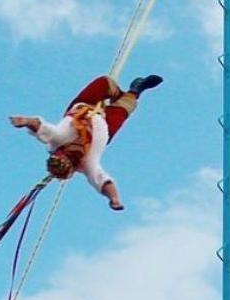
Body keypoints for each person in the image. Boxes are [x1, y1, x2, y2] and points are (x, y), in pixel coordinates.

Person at [10, 74, 163, 211]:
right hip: (105, 127)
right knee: (126, 107)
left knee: (105, 82)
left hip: (84, 108)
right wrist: (114, 199)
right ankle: (135, 90)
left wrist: (25, 121)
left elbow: (40, 126)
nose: (73, 152)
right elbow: (101, 180)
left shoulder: (57, 139)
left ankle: (118, 94)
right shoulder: (86, 163)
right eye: (72, 157)